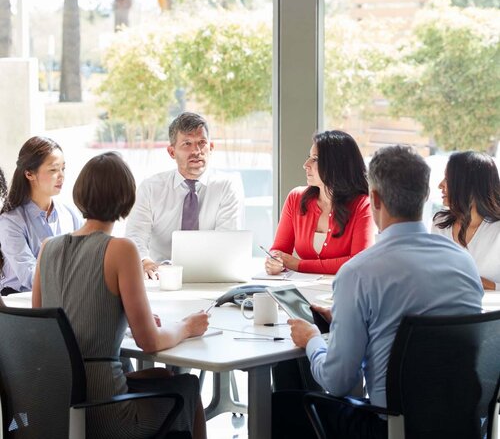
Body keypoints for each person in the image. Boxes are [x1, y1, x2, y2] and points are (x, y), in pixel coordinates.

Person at [273, 145, 483, 439]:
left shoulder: (359, 273)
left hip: (390, 428)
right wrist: (354, 319)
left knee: (284, 405)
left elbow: (339, 382)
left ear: (374, 199)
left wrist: (312, 340)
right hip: (464, 426)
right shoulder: (463, 263)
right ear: (424, 196)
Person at [32, 152, 209, 439]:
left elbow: (44, 329)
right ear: (127, 199)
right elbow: (149, 341)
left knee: (162, 378)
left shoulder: (47, 248)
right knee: (187, 386)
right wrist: (187, 327)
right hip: (106, 411)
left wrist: (122, 317)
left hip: (56, 405)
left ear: (80, 194)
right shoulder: (121, 249)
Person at [126, 112, 243, 278]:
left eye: (202, 143)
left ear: (211, 147)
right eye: (187, 144)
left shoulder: (227, 187)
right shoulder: (151, 188)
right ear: (172, 152)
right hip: (160, 276)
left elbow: (227, 241)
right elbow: (135, 235)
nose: (196, 151)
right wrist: (145, 261)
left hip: (211, 275)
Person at [265, 130, 375, 276]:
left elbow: (359, 262)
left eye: (315, 159)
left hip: (343, 292)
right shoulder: (295, 198)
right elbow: (279, 251)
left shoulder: (363, 205)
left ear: (337, 164)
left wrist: (299, 265)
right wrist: (275, 261)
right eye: (308, 157)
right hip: (303, 290)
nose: (306, 164)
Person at [0, 136, 82, 295]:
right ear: (29, 174)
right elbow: (31, 278)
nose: (61, 176)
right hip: (19, 304)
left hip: (63, 299)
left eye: (63, 168)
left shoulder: (70, 213)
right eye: (53, 170)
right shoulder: (10, 222)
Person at [432, 151, 500, 290]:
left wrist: (486, 284)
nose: (440, 185)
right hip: (444, 309)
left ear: (468, 185)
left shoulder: (497, 230)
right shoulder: (440, 224)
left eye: (448, 179)